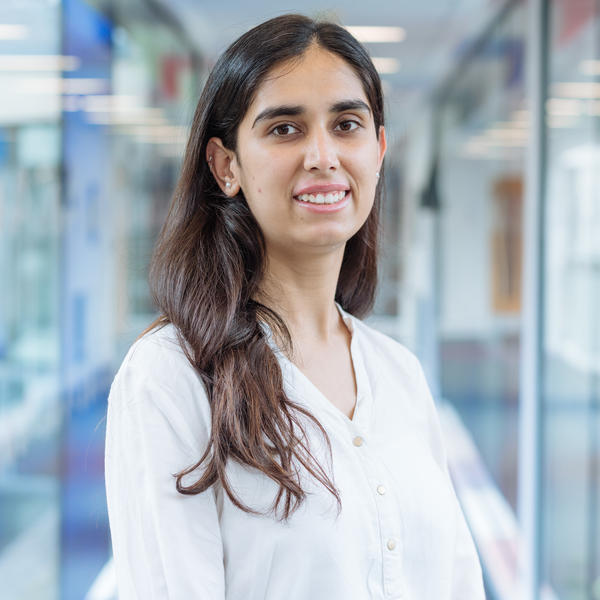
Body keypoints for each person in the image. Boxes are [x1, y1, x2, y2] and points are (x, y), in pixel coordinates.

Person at [104, 13, 485, 600]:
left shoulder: (399, 373)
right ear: (225, 165)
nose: (323, 155)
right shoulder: (171, 378)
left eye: (347, 124)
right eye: (285, 129)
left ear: (379, 150)